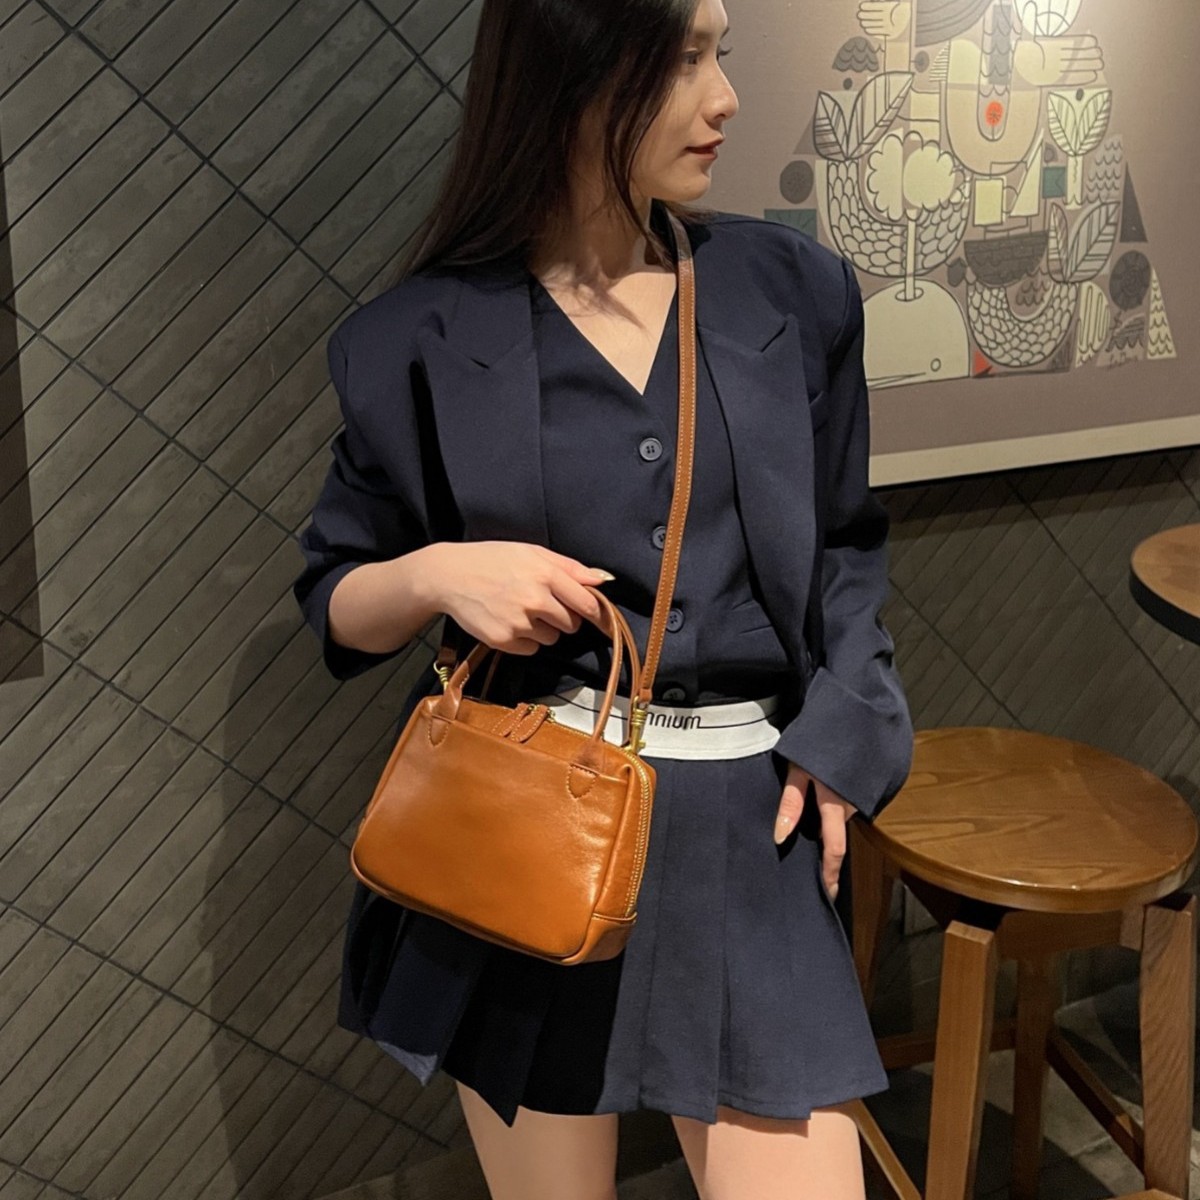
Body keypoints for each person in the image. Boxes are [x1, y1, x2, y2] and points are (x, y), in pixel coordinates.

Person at [292, 0, 914, 1196]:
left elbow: (847, 545)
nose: (724, 97)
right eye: (683, 59)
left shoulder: (793, 293)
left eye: (720, 52)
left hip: (753, 829)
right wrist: (440, 575)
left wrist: (850, 736)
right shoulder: (420, 335)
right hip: (533, 822)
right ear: (572, 72)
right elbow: (336, 596)